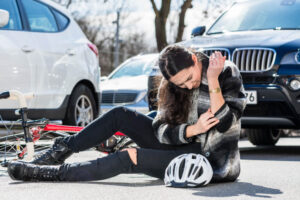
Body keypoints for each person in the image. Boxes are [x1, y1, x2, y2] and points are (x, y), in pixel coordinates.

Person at [8, 44, 247, 183]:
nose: (187, 86)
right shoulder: (173, 85)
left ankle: (51, 174)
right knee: (120, 114)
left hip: (209, 160)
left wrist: (212, 80)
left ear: (195, 60)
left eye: (189, 79)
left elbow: (226, 124)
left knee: (129, 156)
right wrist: (192, 129)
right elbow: (162, 130)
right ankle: (60, 151)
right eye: (179, 84)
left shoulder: (225, 72)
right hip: (181, 143)